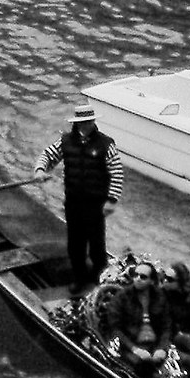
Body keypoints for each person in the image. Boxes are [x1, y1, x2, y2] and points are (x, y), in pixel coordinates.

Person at [37, 101, 121, 293]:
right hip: (73, 202)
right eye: (83, 122)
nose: (86, 125)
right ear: (77, 123)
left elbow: (116, 172)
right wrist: (40, 170)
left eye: (89, 122)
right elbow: (48, 155)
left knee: (97, 244)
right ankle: (80, 278)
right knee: (75, 243)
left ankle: (100, 278)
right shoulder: (65, 141)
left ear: (93, 122)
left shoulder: (105, 144)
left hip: (96, 204)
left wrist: (111, 200)